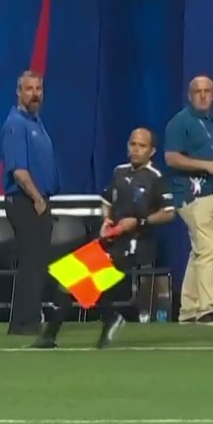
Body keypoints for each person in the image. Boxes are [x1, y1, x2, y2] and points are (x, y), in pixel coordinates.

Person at [31, 127, 175, 349]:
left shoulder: (156, 179)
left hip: (135, 245)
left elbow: (169, 212)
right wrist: (106, 219)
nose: (136, 150)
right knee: (73, 281)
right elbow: (106, 201)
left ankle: (53, 334)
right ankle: (106, 319)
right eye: (133, 144)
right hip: (111, 240)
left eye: (142, 146)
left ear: (152, 151)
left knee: (79, 282)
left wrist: (139, 222)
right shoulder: (119, 172)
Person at [164, 76, 213, 325]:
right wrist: (207, 166)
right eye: (197, 91)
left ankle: (188, 310)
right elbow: (171, 158)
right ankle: (205, 311)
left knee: (199, 253)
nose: (202, 96)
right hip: (193, 195)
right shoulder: (180, 122)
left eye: (207, 91)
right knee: (209, 251)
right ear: (189, 95)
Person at [1, 70, 60, 337]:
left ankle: (27, 320)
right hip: (26, 200)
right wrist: (37, 199)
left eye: (38, 89)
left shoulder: (36, 123)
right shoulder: (16, 124)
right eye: (29, 89)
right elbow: (19, 171)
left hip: (38, 199)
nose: (35, 94)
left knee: (35, 262)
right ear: (19, 92)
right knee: (30, 262)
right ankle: (24, 323)